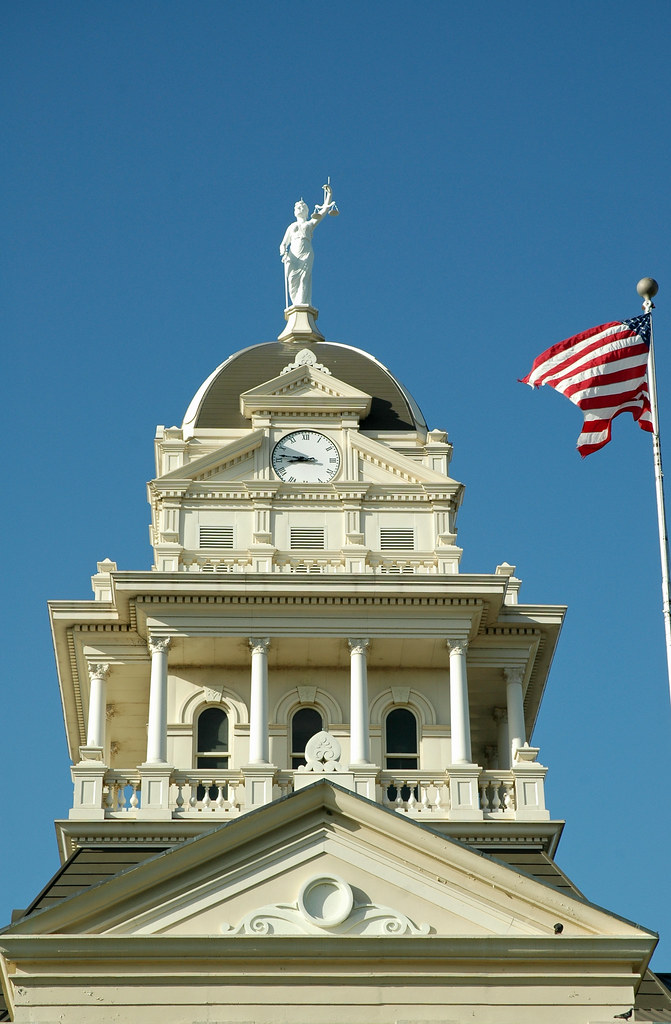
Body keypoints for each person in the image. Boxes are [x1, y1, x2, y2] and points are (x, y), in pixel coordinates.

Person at [279, 184, 336, 306]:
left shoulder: (309, 224)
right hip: (293, 253)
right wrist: (284, 253)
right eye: (298, 208)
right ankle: (296, 303)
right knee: (292, 279)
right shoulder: (291, 226)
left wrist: (329, 195)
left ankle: (303, 302)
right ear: (294, 212)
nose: (300, 209)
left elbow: (324, 210)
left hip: (306, 252)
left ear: (306, 211)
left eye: (302, 207)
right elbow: (283, 244)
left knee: (305, 277)